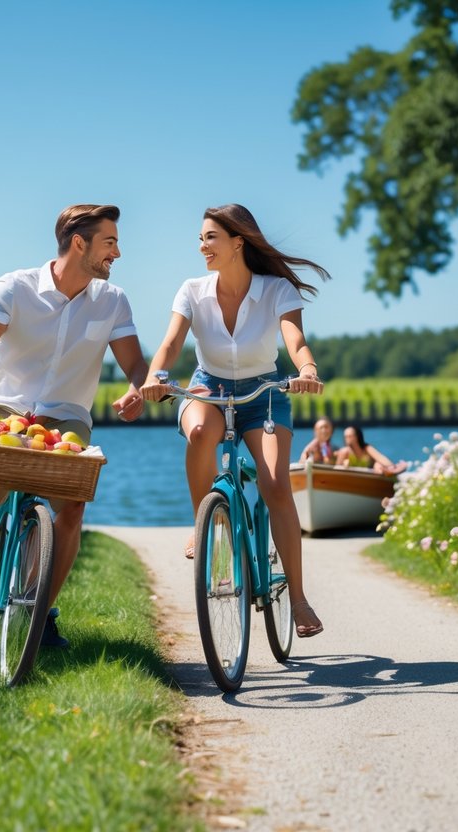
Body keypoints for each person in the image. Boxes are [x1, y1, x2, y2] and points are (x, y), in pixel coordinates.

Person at [0, 204, 148, 650]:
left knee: (73, 505)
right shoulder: (14, 287)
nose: (117, 252)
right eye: (110, 242)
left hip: (67, 415)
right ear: (80, 243)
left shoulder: (113, 301)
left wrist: (138, 388)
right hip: (6, 408)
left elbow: (135, 364)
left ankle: (39, 609)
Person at [140, 204, 328, 639]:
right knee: (202, 432)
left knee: (276, 483)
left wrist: (307, 370)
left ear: (238, 242)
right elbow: (170, 343)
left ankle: (298, 597)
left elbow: (294, 338)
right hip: (208, 386)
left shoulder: (277, 289)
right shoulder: (191, 290)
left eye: (211, 238)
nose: (202, 246)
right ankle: (203, 525)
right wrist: (155, 377)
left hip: (263, 392)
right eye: (201, 238)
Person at [335, 425, 407, 475]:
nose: (347, 439)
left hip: (371, 476)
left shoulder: (367, 448)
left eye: (350, 436)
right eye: (346, 437)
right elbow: (336, 469)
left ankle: (391, 470)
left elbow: (380, 458)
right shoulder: (344, 452)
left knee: (378, 465)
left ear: (357, 436)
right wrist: (344, 467)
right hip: (351, 478)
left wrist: (391, 466)